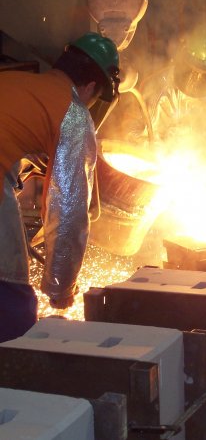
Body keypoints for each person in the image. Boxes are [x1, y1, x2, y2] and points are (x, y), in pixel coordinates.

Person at [0, 32, 120, 342]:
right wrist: (60, 286)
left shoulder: (19, 83)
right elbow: (68, 210)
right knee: (10, 299)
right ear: (92, 87)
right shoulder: (74, 113)